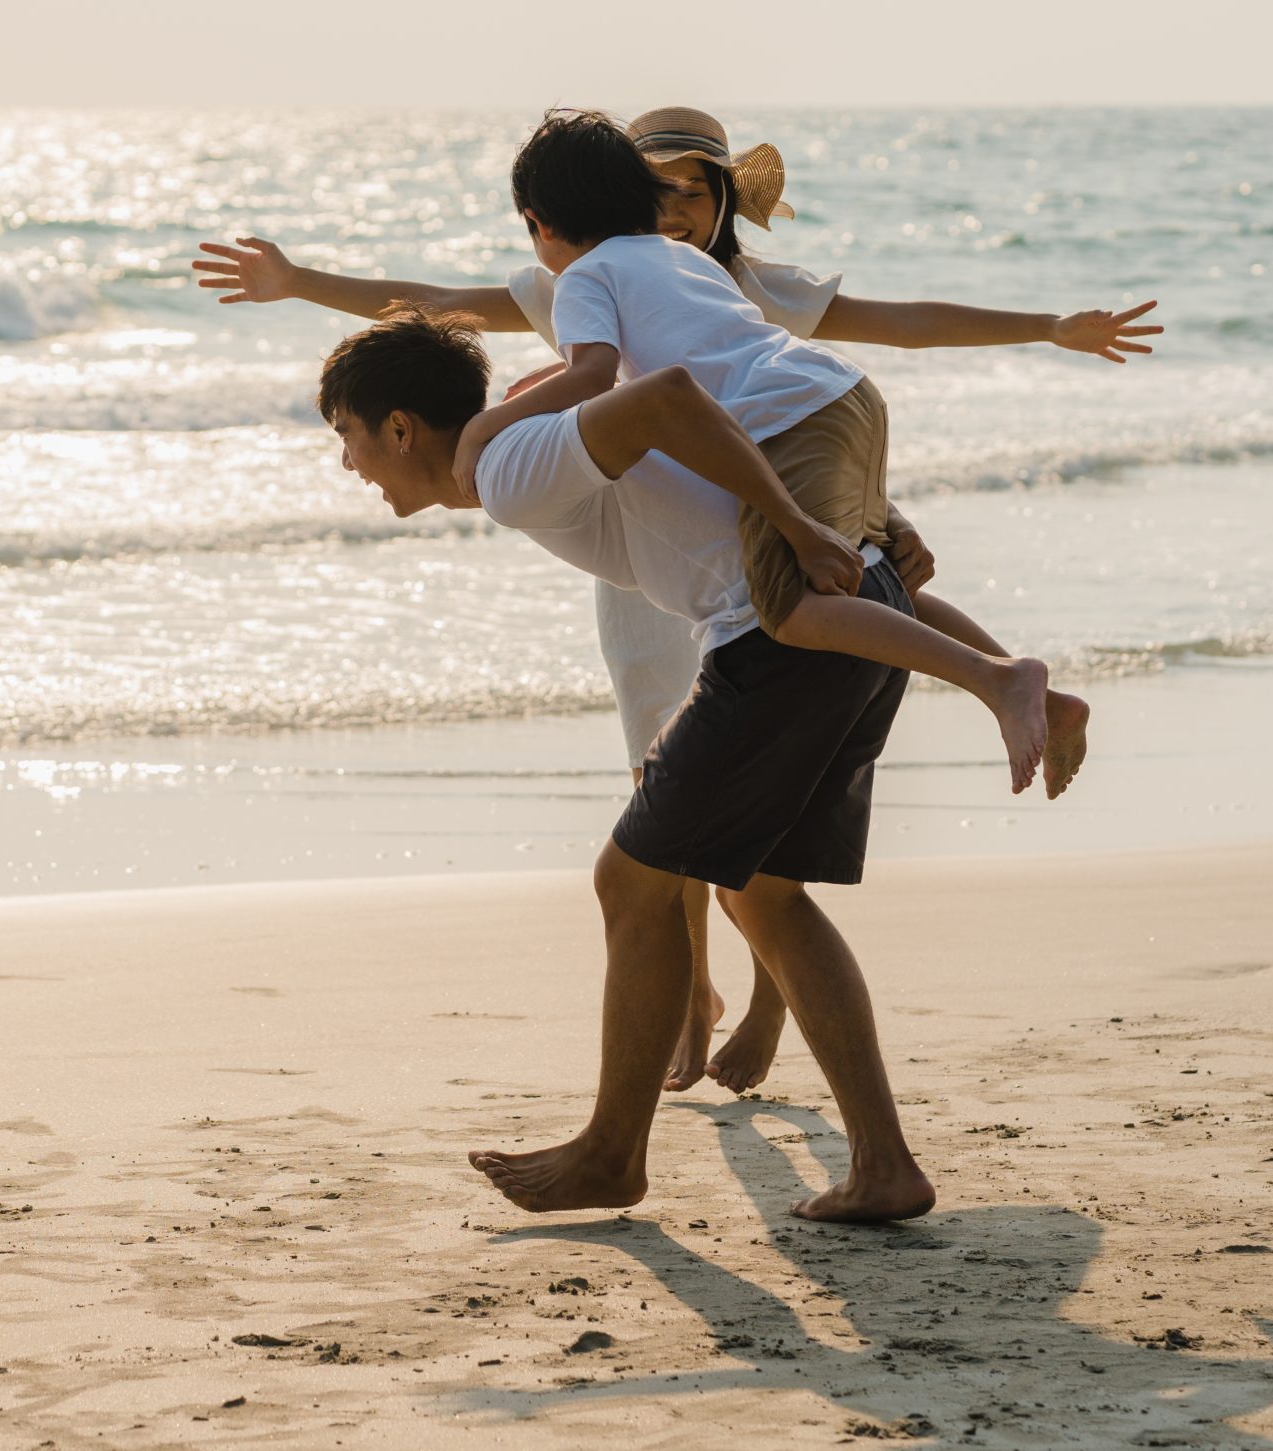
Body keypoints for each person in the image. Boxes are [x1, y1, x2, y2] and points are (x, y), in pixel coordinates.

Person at [195, 105, 1157, 1091]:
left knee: (765, 696)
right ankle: (692, 993)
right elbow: (438, 308)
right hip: (669, 520)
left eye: (696, 193)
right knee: (674, 791)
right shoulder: (648, 277)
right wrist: (300, 282)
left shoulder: (668, 283)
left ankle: (994, 687)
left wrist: (1040, 334)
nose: (678, 210)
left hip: (740, 493)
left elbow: (847, 348)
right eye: (663, 191)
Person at [316, 309, 932, 1221]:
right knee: (764, 896)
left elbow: (669, 396)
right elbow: (703, 427)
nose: (347, 462)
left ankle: (612, 1155)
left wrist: (837, 531)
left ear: (400, 428)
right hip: (839, 625)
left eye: (348, 435)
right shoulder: (523, 445)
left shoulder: (508, 465)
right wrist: (879, 532)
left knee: (630, 881)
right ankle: (883, 1165)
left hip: (777, 642)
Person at [456, 111, 1098, 801]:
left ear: (538, 223)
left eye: (694, 190)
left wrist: (483, 428)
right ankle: (1031, 692)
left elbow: (595, 377)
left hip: (774, 437)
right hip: (836, 397)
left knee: (790, 608)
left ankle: (1001, 679)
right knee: (869, 582)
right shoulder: (683, 264)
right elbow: (682, 366)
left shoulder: (583, 279)